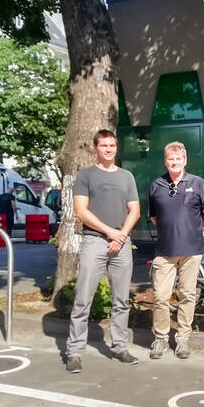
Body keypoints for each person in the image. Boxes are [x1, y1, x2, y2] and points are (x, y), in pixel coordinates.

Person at [65, 129, 141, 373]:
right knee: (83, 299)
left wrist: (121, 236)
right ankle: (75, 352)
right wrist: (111, 232)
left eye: (112, 145)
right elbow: (81, 211)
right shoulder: (86, 175)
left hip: (122, 243)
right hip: (95, 242)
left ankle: (119, 347)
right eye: (104, 145)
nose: (109, 149)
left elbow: (135, 211)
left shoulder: (127, 176)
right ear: (95, 148)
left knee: (121, 300)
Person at [148, 142, 204, 360]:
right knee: (160, 297)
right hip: (165, 251)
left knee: (187, 295)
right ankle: (161, 338)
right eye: (170, 159)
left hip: (191, 250)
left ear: (185, 160)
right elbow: (155, 217)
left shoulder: (198, 183)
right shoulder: (156, 185)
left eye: (178, 159)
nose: (174, 162)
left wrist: (190, 232)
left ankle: (183, 338)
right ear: (165, 161)